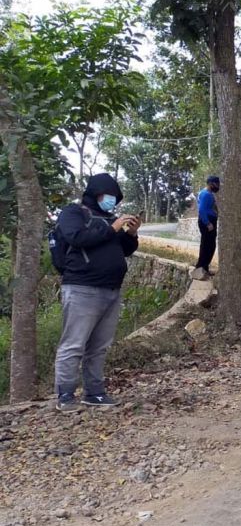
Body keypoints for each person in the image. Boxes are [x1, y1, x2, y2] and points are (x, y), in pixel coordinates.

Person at [53, 173, 140, 412]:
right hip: (82, 288)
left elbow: (124, 250)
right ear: (95, 193)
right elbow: (77, 238)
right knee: (73, 344)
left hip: (111, 290)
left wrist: (130, 234)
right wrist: (112, 228)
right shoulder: (74, 214)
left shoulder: (110, 220)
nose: (111, 200)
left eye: (115, 197)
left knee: (99, 346)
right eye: (107, 195)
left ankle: (95, 392)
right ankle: (65, 394)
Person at [193, 175, 220, 280]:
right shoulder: (206, 194)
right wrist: (208, 223)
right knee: (208, 245)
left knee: (208, 245)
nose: (218, 186)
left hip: (208, 220)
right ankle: (201, 268)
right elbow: (202, 210)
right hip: (207, 221)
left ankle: (204, 268)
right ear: (211, 183)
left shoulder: (206, 194)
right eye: (216, 184)